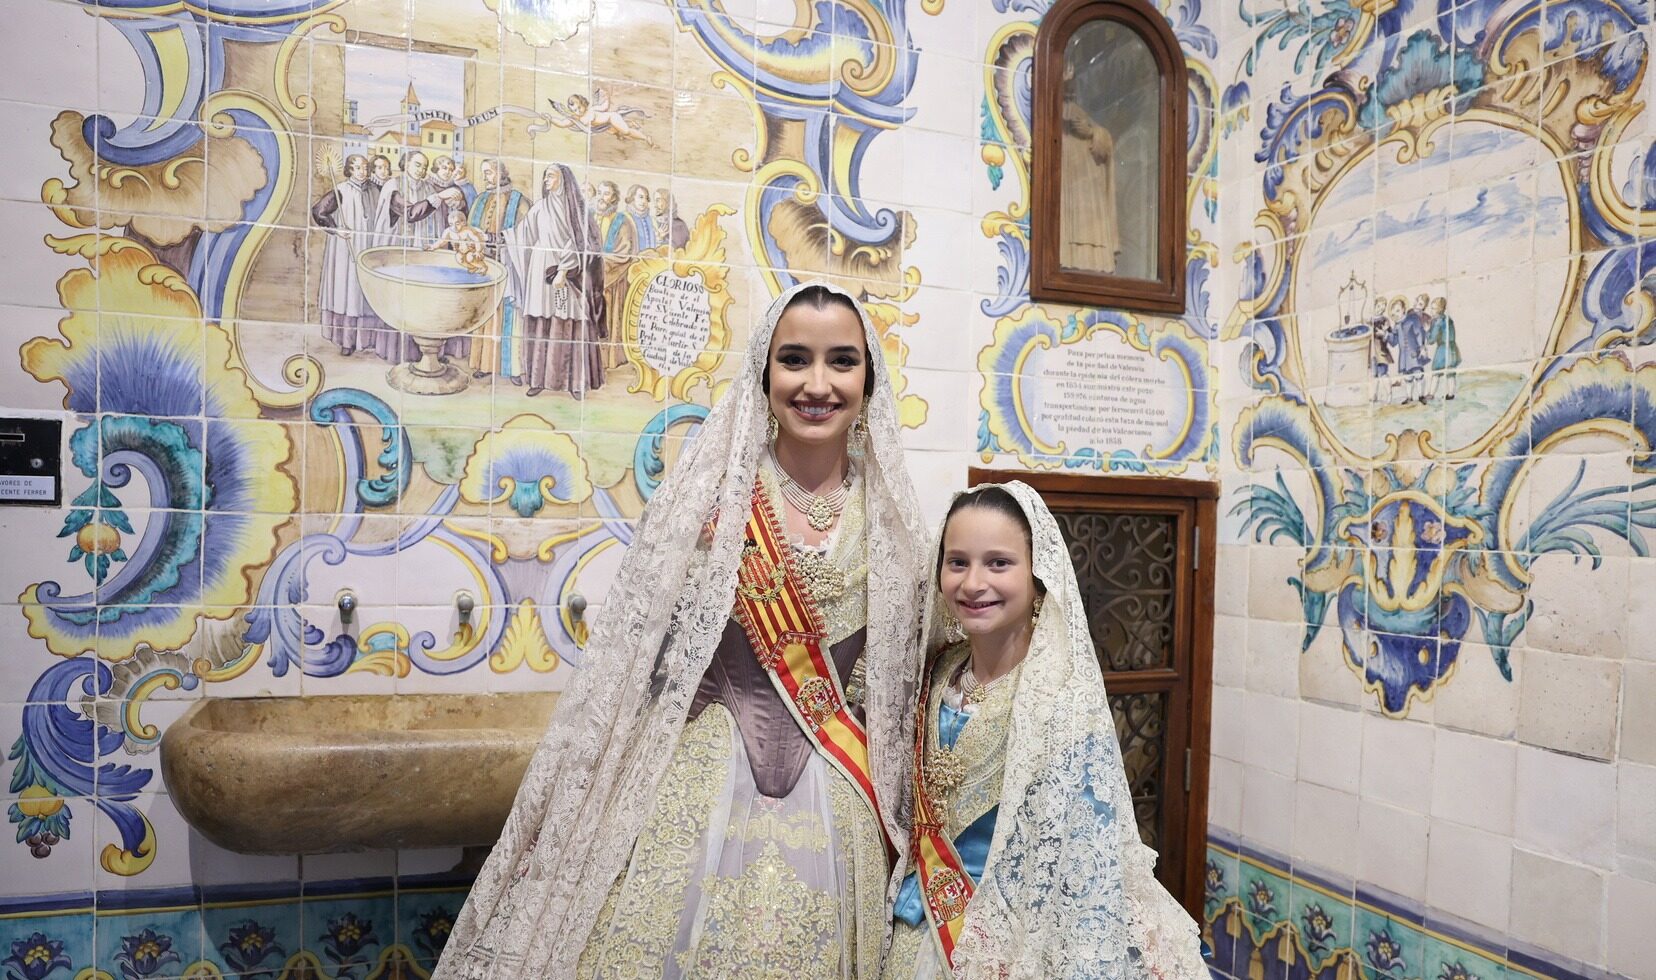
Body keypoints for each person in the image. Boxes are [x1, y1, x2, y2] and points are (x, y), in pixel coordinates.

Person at [431, 282, 928, 979]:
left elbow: (897, 695)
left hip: (837, 807)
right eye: (795, 360)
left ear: (868, 377)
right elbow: (637, 670)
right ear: (764, 372)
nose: (818, 384)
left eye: (841, 361)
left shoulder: (896, 525)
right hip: (699, 790)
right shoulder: (709, 502)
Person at [884, 482, 1208, 980]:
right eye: (957, 562)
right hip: (915, 922)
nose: (973, 583)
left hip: (1014, 943)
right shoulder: (938, 672)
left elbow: (1080, 861)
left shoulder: (1061, 701)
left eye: (998, 563)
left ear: (1038, 576)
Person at [502, 164, 608, 397]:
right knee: (542, 321)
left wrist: (564, 269)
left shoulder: (579, 211)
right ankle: (539, 380)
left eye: (551, 175)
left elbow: (586, 243)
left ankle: (575, 383)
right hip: (540, 272)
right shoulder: (539, 208)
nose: (546, 179)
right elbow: (522, 236)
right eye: (545, 176)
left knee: (570, 323)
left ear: (564, 180)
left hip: (571, 278)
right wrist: (499, 239)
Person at [309, 153, 384, 356]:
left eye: (365, 168)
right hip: (345, 248)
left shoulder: (376, 190)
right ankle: (347, 342)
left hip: (368, 247)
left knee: (366, 293)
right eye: (358, 168)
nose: (363, 172)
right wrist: (336, 230)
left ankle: (369, 340)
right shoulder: (340, 190)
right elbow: (318, 212)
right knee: (349, 293)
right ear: (350, 170)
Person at [466, 159, 531, 383]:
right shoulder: (480, 199)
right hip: (484, 266)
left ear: (501, 173)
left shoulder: (519, 201)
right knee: (486, 314)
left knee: (510, 316)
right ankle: (485, 364)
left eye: (489, 173)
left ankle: (512, 368)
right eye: (484, 173)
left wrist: (495, 239)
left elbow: (525, 235)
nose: (486, 177)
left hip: (508, 265)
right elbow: (470, 229)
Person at [426, 208, 489, 275]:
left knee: (469, 257)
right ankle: (472, 267)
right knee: (459, 258)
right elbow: (442, 241)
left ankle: (483, 267)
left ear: (463, 223)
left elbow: (477, 240)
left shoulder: (468, 231)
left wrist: (478, 251)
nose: (454, 227)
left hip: (474, 251)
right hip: (461, 252)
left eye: (457, 224)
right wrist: (432, 246)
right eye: (451, 224)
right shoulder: (448, 232)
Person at [1397, 294, 1431, 404]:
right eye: (1416, 301)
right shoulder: (1409, 315)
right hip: (1405, 352)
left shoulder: (1422, 318)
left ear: (1424, 306)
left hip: (1414, 350)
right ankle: (1409, 397)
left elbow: (1418, 333)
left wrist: (1421, 347)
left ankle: (1421, 396)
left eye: (1420, 304)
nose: (1416, 304)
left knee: (1418, 373)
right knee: (1407, 376)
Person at [1427, 296, 1459, 400]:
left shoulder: (1438, 321)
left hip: (1442, 349)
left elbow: (1431, 339)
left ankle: (1431, 394)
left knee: (1436, 373)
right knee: (1450, 373)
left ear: (1439, 310)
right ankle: (1451, 394)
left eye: (1433, 308)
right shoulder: (1448, 319)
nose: (1431, 310)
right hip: (1453, 349)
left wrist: (1427, 332)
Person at [652, 187, 690, 251]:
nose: (655, 205)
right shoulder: (652, 222)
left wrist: (661, 239)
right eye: (655, 201)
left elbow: (678, 250)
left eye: (658, 200)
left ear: (668, 202)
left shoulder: (680, 225)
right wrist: (659, 239)